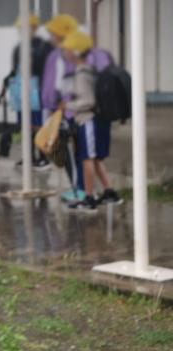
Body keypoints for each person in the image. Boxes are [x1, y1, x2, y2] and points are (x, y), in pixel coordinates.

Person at [42, 14, 112, 201]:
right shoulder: (97, 54)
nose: (51, 36)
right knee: (90, 155)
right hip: (95, 114)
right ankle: (96, 190)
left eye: (53, 33)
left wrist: (51, 106)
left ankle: (82, 191)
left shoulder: (59, 56)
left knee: (78, 155)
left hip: (73, 112)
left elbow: (51, 87)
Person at [60, 30, 121, 212]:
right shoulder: (90, 69)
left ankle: (89, 198)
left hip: (89, 121)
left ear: (75, 52)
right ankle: (110, 192)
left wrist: (68, 105)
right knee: (96, 159)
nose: (64, 53)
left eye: (67, 49)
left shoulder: (81, 74)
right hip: (97, 121)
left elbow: (88, 101)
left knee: (87, 159)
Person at [7, 14, 53, 169]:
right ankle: (28, 156)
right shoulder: (18, 48)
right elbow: (15, 69)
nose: (22, 31)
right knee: (25, 125)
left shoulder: (43, 47)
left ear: (34, 28)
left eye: (25, 28)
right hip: (21, 91)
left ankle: (44, 157)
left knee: (38, 125)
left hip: (37, 92)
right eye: (20, 29)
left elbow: (47, 70)